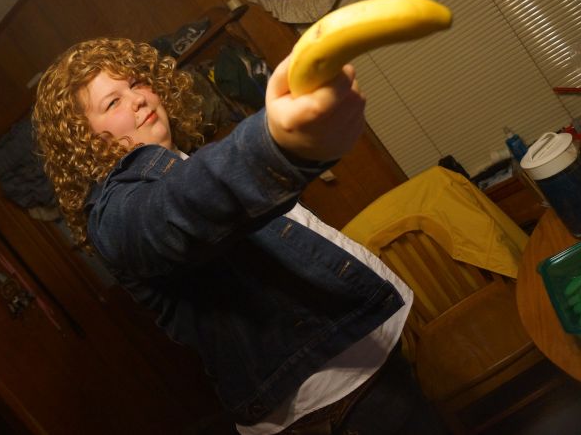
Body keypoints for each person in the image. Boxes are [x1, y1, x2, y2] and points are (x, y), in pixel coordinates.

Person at [32, 38, 446, 435]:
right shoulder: (115, 216)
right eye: (112, 102)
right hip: (342, 401)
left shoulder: (181, 164)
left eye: (137, 82)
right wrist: (277, 141)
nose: (138, 98)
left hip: (364, 367)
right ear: (83, 140)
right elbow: (180, 209)